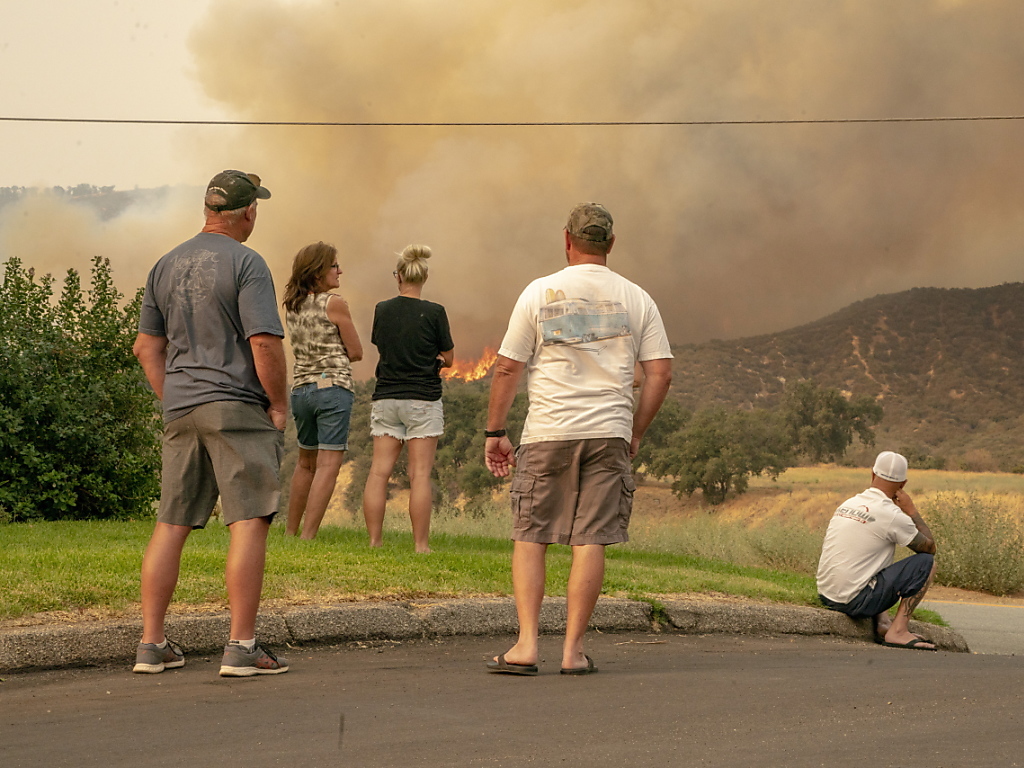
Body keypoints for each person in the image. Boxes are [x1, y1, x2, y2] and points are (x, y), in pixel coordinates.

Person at [484, 202, 673, 675]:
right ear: (610, 244)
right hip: (608, 431)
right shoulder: (637, 298)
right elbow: (660, 374)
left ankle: (526, 646)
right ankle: (572, 652)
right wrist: (634, 430)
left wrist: (495, 432)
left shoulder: (538, 291)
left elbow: (508, 366)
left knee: (531, 535)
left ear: (566, 239)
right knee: (590, 540)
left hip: (549, 430)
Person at [132, 170, 289, 677]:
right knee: (248, 520)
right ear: (249, 212)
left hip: (182, 407)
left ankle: (152, 645)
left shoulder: (165, 263)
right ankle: (242, 647)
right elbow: (264, 342)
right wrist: (278, 404)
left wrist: (174, 397)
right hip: (236, 408)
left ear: (207, 209)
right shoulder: (248, 263)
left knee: (171, 521)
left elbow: (145, 347)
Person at [362, 244, 454, 553]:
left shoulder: (382, 309)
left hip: (386, 397)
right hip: (423, 400)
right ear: (424, 276)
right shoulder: (435, 312)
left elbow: (381, 343)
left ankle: (375, 541)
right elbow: (449, 357)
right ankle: (420, 545)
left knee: (378, 472)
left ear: (398, 276)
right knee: (420, 475)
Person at [816, 450, 938, 650]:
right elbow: (929, 548)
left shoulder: (849, 503)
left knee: (876, 557)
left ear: (872, 474)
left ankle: (883, 624)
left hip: (826, 594)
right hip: (854, 602)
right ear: (903, 484)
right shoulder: (893, 516)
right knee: (926, 563)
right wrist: (911, 510)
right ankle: (898, 631)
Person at [282, 242, 363, 539]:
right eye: (334, 266)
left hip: (301, 390)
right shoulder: (334, 303)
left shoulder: (292, 304)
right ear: (317, 272)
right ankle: (309, 535)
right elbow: (356, 352)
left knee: (305, 463)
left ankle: (291, 532)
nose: (339, 270)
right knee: (329, 464)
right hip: (332, 388)